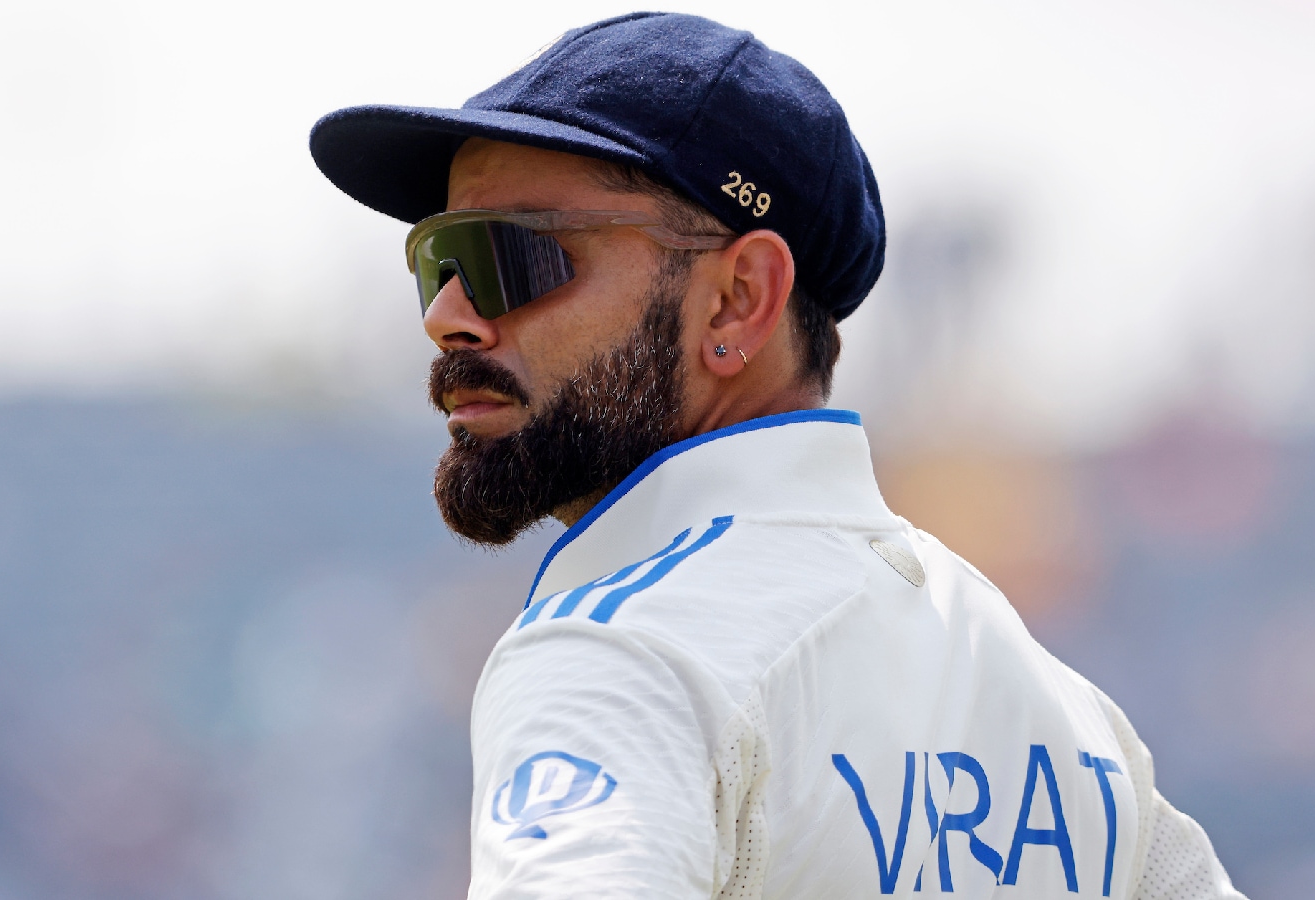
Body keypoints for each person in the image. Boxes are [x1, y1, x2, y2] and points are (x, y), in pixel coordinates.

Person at [309, 12, 1246, 899]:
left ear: (739, 300)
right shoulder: (1075, 732)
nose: (448, 315)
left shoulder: (621, 653)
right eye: (436, 260)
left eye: (508, 256)